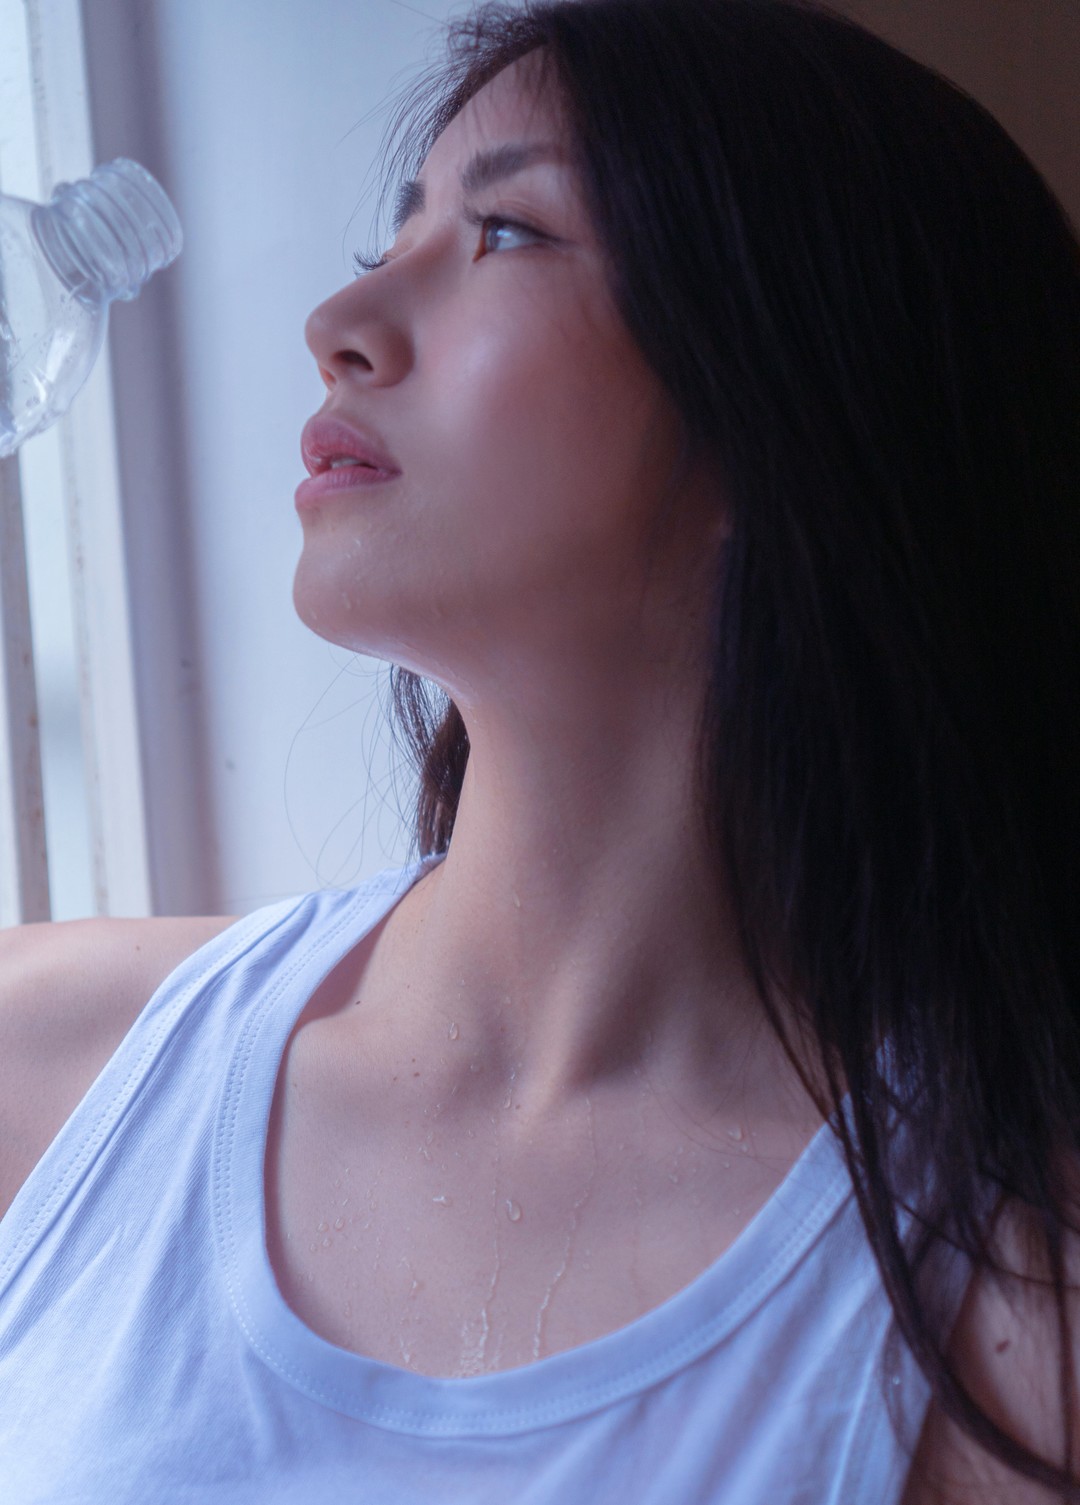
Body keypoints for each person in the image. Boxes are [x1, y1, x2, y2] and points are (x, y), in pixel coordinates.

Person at [1, 0, 1078, 1498]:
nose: (339, 323)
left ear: (794, 405)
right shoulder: (49, 1066)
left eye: (506, 233)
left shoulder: (1006, 1312)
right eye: (393, 233)